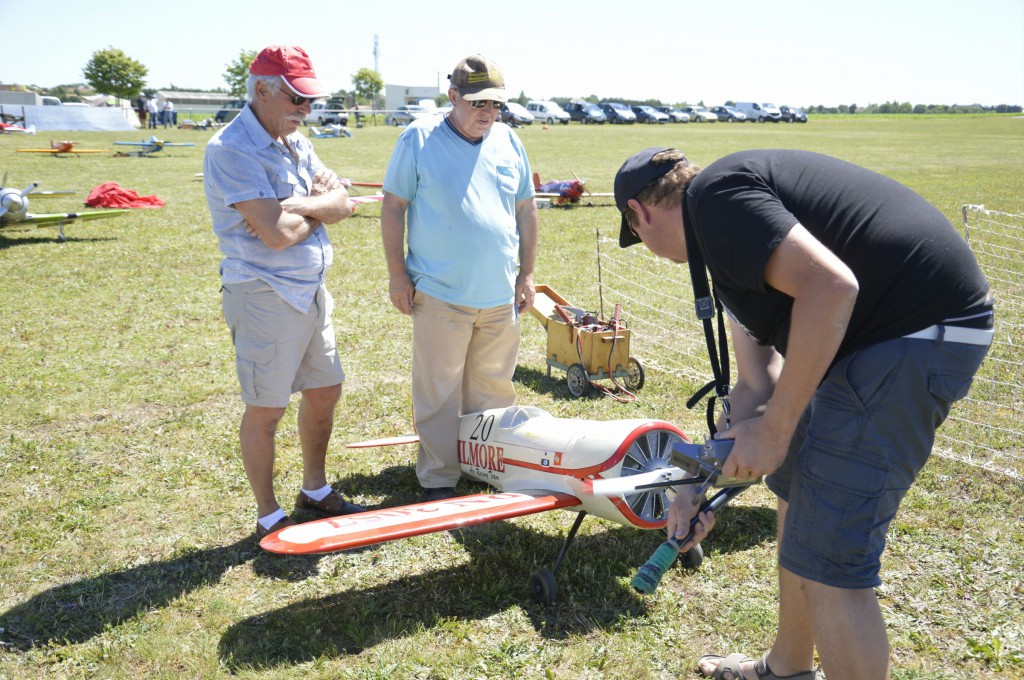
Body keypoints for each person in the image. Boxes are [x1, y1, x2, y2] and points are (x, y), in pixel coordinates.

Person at [614, 148, 992, 680]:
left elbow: (833, 287)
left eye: (638, 238)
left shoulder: (716, 202)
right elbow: (756, 385)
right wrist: (692, 488)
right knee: (794, 485)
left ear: (640, 212)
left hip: (911, 336)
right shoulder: (727, 234)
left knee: (832, 560)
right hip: (882, 341)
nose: (651, 252)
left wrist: (773, 431)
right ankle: (788, 666)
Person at [204, 45, 365, 538]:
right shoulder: (230, 149)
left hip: (311, 290)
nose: (306, 110)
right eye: (297, 98)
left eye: (310, 100)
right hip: (264, 292)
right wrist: (321, 206)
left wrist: (301, 206)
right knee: (267, 408)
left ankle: (314, 491)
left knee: (325, 391)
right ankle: (269, 515)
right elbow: (276, 236)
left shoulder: (294, 139)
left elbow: (341, 202)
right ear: (262, 91)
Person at [381, 54, 539, 502]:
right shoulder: (418, 137)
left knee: (493, 388)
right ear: (453, 97)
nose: (488, 113)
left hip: (498, 294)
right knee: (439, 390)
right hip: (439, 291)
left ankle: (482, 466)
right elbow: (393, 207)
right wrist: (398, 274)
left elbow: (526, 209)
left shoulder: (509, 140)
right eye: (478, 103)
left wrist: (526, 274)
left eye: (496, 105)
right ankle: (438, 479)